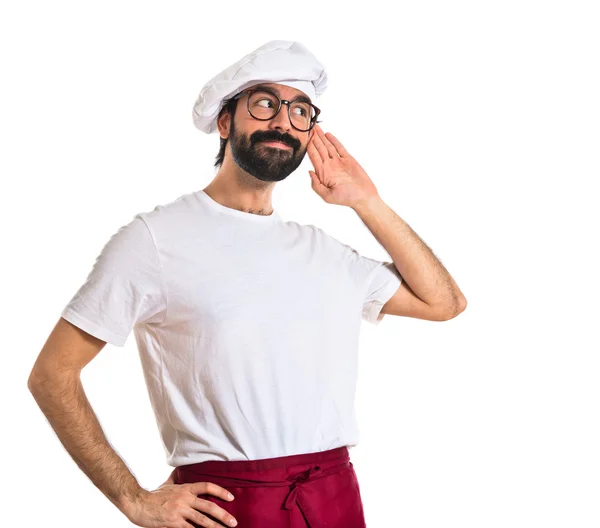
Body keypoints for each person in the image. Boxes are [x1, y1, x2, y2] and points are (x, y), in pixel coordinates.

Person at [28, 40, 467, 528]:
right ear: (224, 122)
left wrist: (367, 202)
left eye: (300, 110)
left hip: (334, 499)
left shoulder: (323, 251)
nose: (283, 121)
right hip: (227, 509)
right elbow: (52, 375)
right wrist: (132, 499)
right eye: (264, 103)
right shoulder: (154, 240)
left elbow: (444, 302)